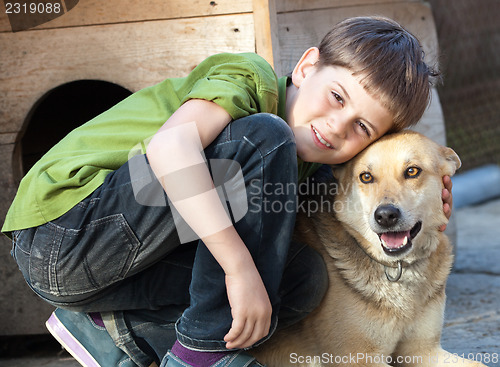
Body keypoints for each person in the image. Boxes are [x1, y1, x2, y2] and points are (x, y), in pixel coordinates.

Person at [2, 16, 453, 367]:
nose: (336, 126)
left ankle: (116, 332)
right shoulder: (252, 81)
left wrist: (424, 198)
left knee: (301, 278)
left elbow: (356, 198)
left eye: (361, 127)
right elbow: (171, 148)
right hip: (66, 229)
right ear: (306, 66)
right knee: (266, 139)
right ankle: (202, 354)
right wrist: (239, 269)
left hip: (116, 272)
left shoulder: (309, 166)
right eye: (337, 97)